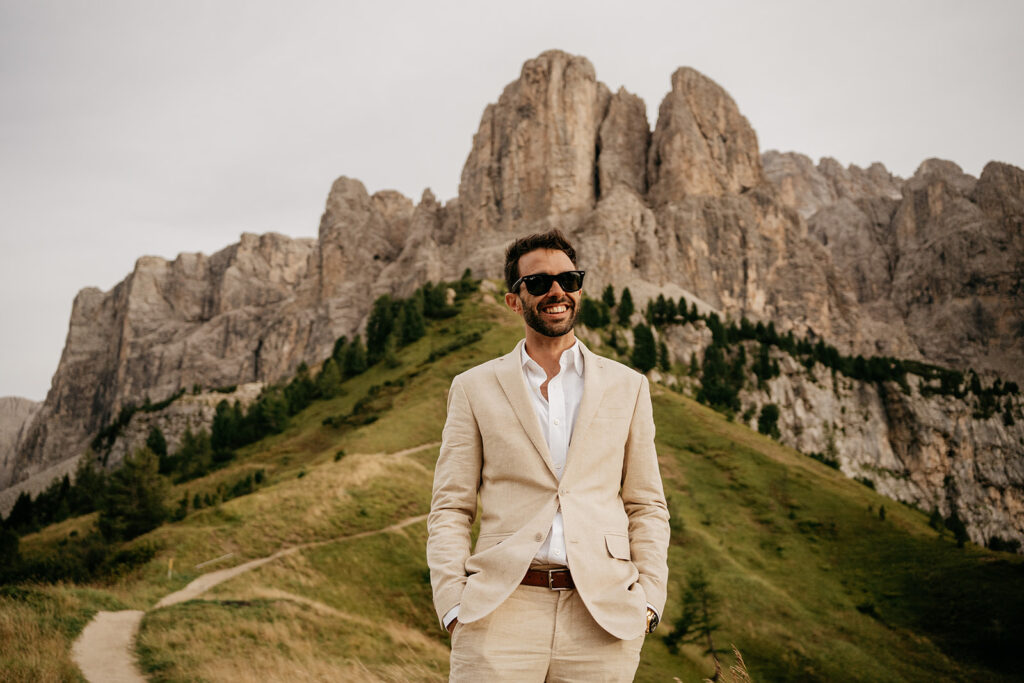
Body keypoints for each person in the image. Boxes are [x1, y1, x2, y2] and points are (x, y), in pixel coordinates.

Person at [426, 229, 670, 682]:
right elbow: (451, 506)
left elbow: (646, 503)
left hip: (603, 617)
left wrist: (649, 602)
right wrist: (454, 605)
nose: (557, 291)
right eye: (538, 283)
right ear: (514, 301)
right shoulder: (473, 387)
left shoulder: (628, 386)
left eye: (569, 279)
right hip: (499, 611)